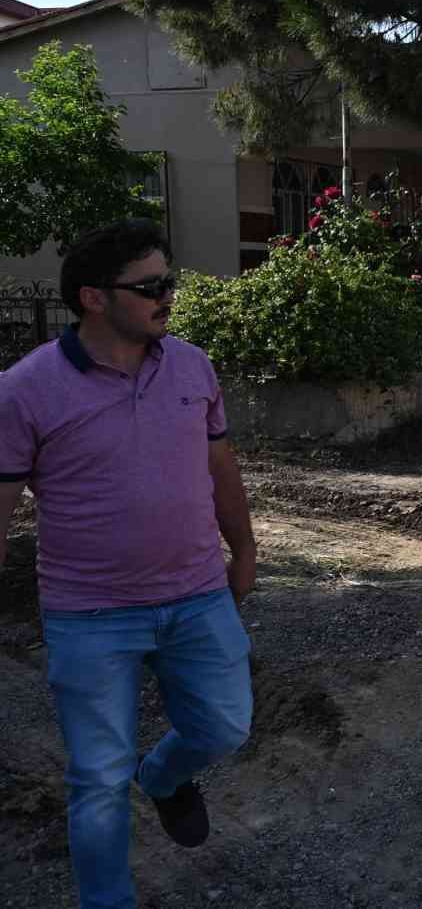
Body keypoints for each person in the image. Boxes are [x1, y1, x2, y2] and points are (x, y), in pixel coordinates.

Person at [0, 219, 256, 909]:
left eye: (168, 281)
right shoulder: (25, 390)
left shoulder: (192, 366)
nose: (167, 296)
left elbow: (218, 466)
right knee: (98, 781)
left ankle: (166, 776)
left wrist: (247, 546)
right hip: (89, 616)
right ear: (92, 297)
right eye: (150, 287)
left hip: (198, 594)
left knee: (225, 726)